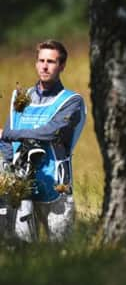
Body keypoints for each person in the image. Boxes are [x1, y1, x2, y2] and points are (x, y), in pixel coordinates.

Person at [0, 40, 86, 242]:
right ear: (36, 63)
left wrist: (9, 134)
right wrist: (10, 167)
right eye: (41, 61)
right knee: (24, 249)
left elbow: (50, 132)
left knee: (61, 251)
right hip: (22, 185)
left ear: (62, 66)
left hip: (55, 185)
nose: (45, 66)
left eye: (51, 61)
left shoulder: (72, 101)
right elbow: (6, 141)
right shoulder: (21, 98)